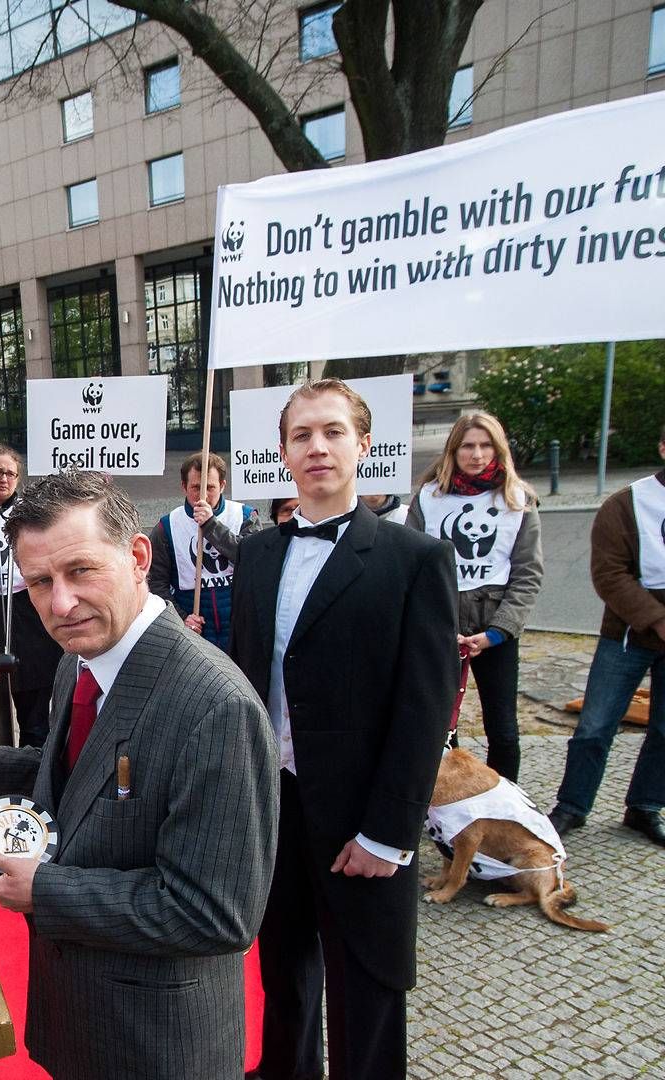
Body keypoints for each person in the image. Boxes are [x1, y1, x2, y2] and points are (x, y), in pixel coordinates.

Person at [0, 469, 278, 1080]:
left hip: (159, 1046)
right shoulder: (83, 657)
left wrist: (45, 891)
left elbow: (217, 912)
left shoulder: (216, 705)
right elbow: (86, 776)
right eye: (39, 582)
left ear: (138, 555)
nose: (60, 603)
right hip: (83, 1022)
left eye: (80, 571)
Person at [228, 379, 458, 1080]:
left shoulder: (413, 558)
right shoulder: (257, 554)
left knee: (368, 982)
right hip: (276, 805)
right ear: (283, 454)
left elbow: (426, 707)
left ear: (364, 444)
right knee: (285, 967)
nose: (317, 447)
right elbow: (245, 684)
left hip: (363, 818)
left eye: (332, 432)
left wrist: (390, 833)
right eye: (302, 435)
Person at [406, 412, 543, 781]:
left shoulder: (517, 500)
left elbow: (527, 573)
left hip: (493, 628)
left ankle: (505, 806)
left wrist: (499, 630)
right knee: (438, 723)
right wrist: (434, 626)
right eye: (468, 445)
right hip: (442, 626)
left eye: (486, 445)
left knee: (503, 727)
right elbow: (411, 566)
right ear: (454, 449)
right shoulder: (429, 498)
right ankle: (441, 801)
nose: (477, 454)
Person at [549, 424, 665, 847]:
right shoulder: (627, 504)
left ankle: (645, 805)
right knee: (596, 725)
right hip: (628, 636)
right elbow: (609, 574)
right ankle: (572, 806)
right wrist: (655, 618)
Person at [0, 445, 63, 748]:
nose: (3, 478)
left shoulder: (30, 513)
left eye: (10, 473)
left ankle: (35, 771)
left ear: (18, 478)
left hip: (27, 612)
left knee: (34, 712)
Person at [149, 451, 263, 649]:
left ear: (223, 486)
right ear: (184, 487)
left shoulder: (245, 516)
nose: (202, 495)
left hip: (241, 632)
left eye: (210, 487)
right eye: (196, 487)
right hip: (195, 634)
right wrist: (179, 619)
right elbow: (155, 584)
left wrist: (211, 525)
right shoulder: (167, 527)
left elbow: (252, 560)